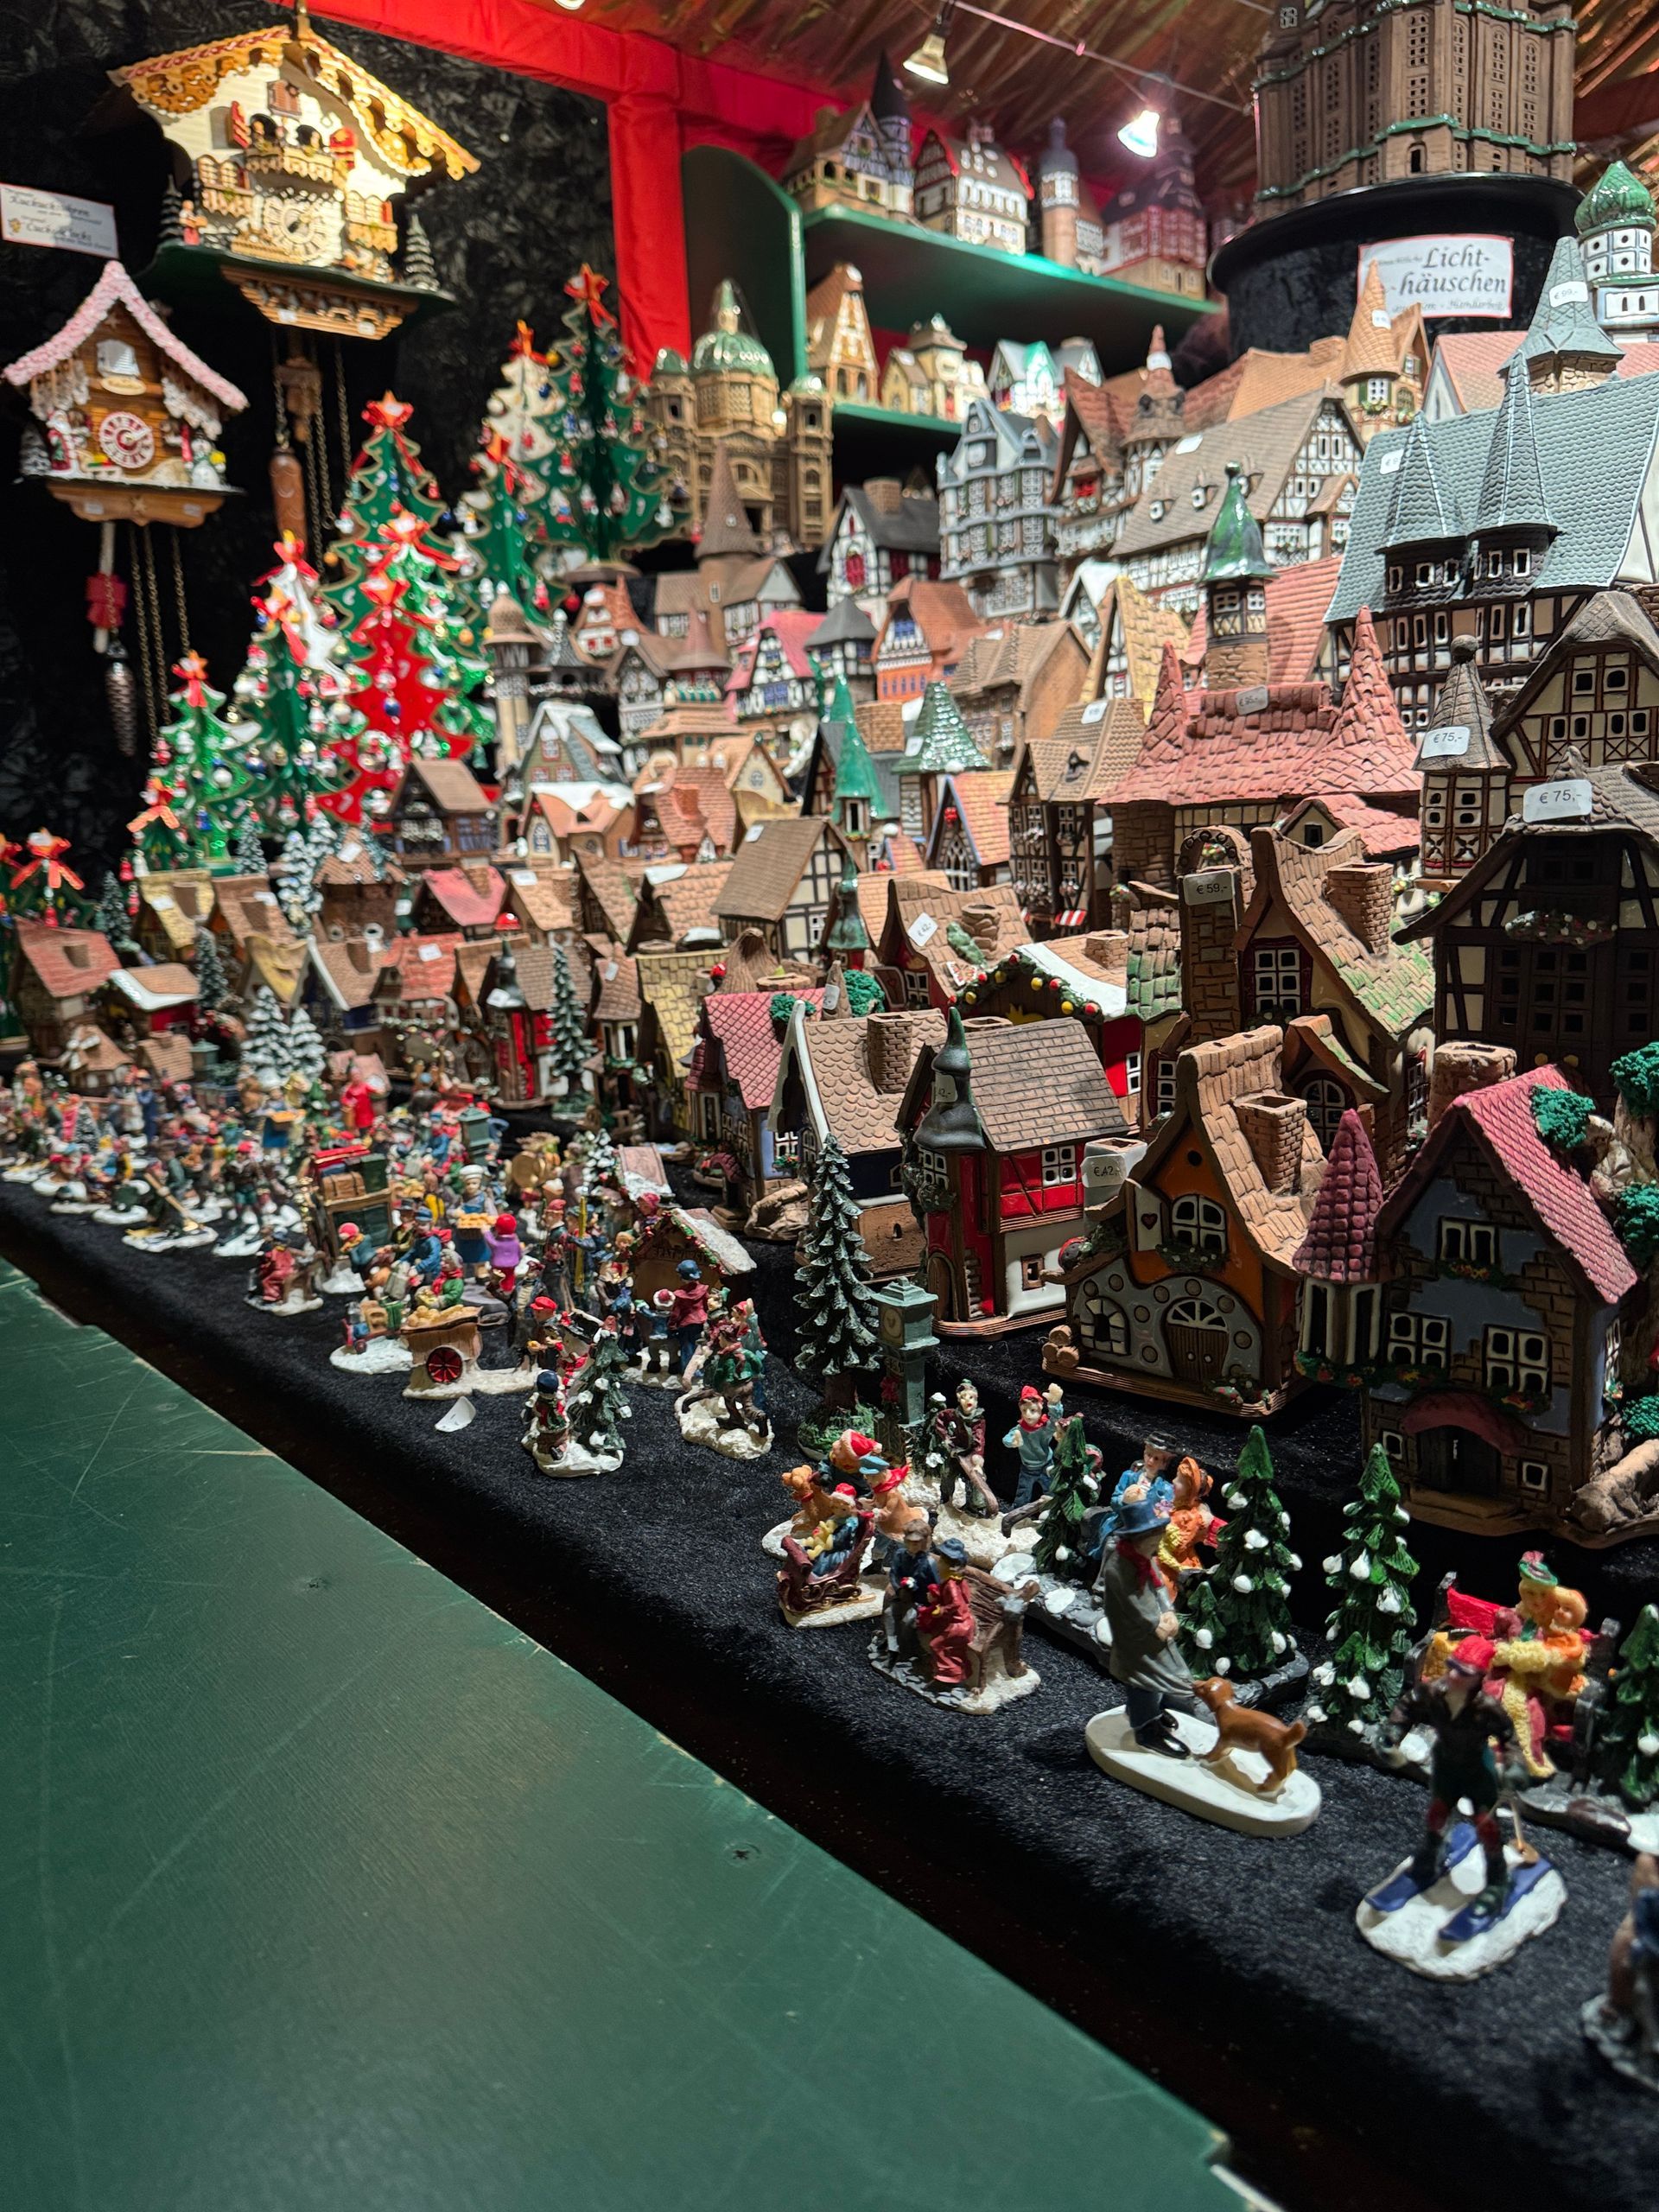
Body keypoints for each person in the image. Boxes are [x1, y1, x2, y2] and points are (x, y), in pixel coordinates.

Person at [1384, 1637, 1525, 1922]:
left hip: (1477, 1769)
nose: (1453, 1675)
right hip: (1446, 1763)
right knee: (1436, 1815)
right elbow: (1408, 1707)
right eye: (1452, 1667)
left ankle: (1497, 1880)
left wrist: (1514, 1767)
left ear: (1478, 1678)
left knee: (1487, 1827)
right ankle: (1428, 1859)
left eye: (1464, 1671)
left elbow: (1509, 1738)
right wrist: (1392, 1735)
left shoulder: (1486, 1707)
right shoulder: (1435, 1692)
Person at [1095, 1486, 1198, 1758]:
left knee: (1156, 1678)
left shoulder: (1144, 1559)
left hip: (1151, 1633)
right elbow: (1131, 1604)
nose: (1159, 1540)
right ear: (1140, 1537)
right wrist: (1155, 1623)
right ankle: (1144, 1728)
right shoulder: (1119, 1567)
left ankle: (1149, 1713)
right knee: (1145, 1679)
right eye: (1154, 1535)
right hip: (1135, 1638)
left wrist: (1168, 1610)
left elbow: (1159, 1588)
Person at [915, 1538, 977, 1688]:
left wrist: (942, 1609)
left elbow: (955, 1603)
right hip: (962, 1622)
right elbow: (966, 1598)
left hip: (958, 1626)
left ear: (950, 1565)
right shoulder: (957, 1580)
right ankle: (957, 1673)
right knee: (951, 1649)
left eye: (942, 1561)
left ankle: (947, 1678)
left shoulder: (951, 1584)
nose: (939, 1563)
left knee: (937, 1645)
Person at [932, 1380, 998, 1517]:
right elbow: (940, 1419)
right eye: (963, 1397)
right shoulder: (954, 1414)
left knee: (978, 1480)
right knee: (947, 1474)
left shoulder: (979, 1420)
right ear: (959, 1399)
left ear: (976, 1399)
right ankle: (946, 1500)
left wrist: (978, 1460)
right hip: (956, 1452)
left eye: (971, 1397)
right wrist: (946, 1438)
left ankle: (975, 1508)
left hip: (972, 1455)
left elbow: (980, 1440)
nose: (967, 1400)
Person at [881, 1519, 938, 1658]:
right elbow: (894, 1574)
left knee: (909, 1620)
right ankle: (892, 1648)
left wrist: (925, 1597)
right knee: (889, 1614)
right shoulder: (900, 1555)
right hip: (903, 1596)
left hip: (920, 1602)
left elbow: (936, 1586)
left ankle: (907, 1651)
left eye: (917, 1542)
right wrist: (900, 1589)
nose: (912, 1545)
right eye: (910, 1541)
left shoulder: (929, 1563)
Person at [1003, 1384, 1063, 1510]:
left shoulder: (1045, 1428)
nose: (1028, 1414)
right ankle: (1018, 1513)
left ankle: (1051, 1511)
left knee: (1051, 1490)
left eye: (1033, 1410)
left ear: (1040, 1409)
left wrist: (1054, 1404)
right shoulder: (1019, 1430)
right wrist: (1013, 1442)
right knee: (1023, 1493)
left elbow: (1056, 1420)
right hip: (1028, 1469)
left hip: (1046, 1466)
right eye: (1024, 1410)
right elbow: (1007, 1439)